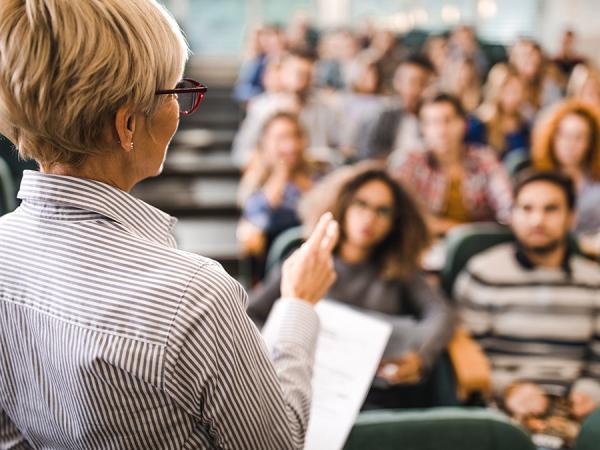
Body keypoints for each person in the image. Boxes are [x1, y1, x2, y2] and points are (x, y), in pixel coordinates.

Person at [0, 1, 340, 448]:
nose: (180, 107)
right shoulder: (193, 296)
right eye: (173, 92)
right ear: (126, 126)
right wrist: (298, 305)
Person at [247, 163, 454, 409]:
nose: (369, 218)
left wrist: (421, 358)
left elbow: (441, 314)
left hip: (372, 397)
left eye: (383, 211)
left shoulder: (399, 269)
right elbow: (250, 315)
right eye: (361, 204)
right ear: (343, 205)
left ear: (395, 222)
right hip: (302, 388)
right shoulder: (307, 261)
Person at [454, 170, 600, 422]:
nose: (537, 220)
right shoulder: (484, 273)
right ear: (512, 215)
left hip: (577, 412)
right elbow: (467, 353)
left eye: (551, 209)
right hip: (502, 411)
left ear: (571, 218)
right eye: (526, 208)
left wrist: (589, 392)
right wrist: (508, 389)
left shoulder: (594, 280)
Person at [393, 93, 513, 236]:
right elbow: (401, 214)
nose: (441, 130)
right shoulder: (409, 161)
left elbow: (507, 202)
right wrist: (462, 231)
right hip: (426, 243)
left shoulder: (483, 157)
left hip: (480, 243)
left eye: (448, 120)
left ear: (463, 124)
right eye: (432, 122)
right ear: (423, 129)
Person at [237, 112, 324, 261]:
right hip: (276, 260)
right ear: (265, 143)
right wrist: (281, 173)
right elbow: (256, 220)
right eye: (281, 137)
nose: (290, 144)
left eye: (296, 136)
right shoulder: (256, 180)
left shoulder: (319, 173)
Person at [232, 47, 340, 167]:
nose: (300, 80)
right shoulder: (261, 108)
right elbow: (241, 153)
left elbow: (338, 151)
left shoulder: (326, 109)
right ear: (282, 73)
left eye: (307, 74)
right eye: (296, 73)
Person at [531, 99, 600, 236]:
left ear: (590, 143)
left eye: (579, 137)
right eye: (563, 135)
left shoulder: (596, 181)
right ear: (551, 138)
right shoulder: (536, 182)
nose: (570, 144)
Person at [364, 54, 435, 163]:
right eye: (408, 81)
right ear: (397, 82)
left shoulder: (435, 119)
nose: (413, 89)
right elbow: (373, 154)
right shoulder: (386, 115)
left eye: (421, 83)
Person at [474, 64, 530, 159]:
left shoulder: (524, 122)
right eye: (509, 91)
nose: (515, 97)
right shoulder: (479, 122)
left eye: (518, 91)